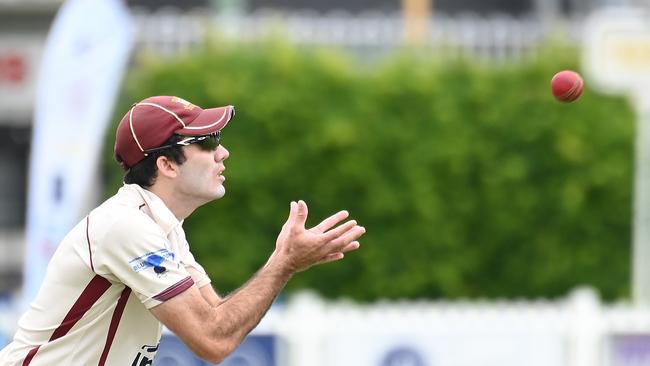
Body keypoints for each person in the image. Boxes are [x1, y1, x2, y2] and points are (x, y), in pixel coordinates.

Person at [0, 96, 366, 365]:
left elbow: (219, 324)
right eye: (206, 142)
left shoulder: (162, 226)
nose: (222, 153)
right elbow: (212, 339)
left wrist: (281, 260)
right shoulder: (127, 226)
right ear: (165, 165)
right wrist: (283, 264)